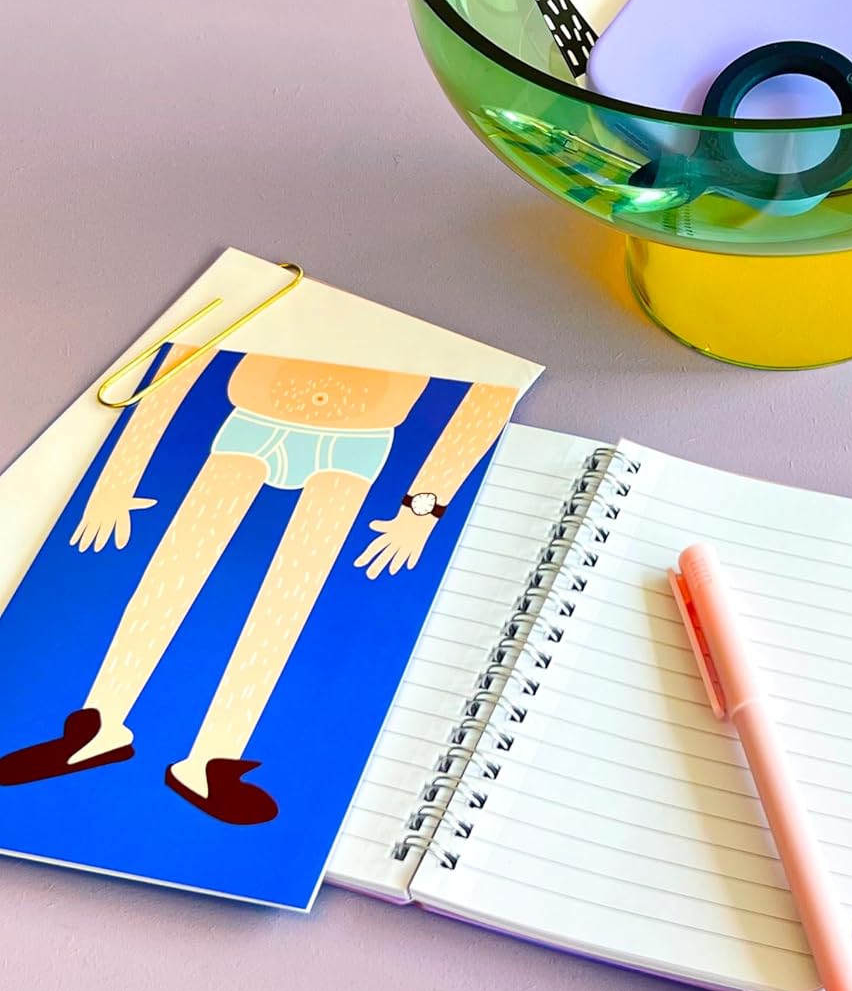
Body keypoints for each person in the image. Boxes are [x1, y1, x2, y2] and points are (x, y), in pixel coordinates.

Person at [0, 346, 515, 824]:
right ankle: (97, 725)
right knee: (172, 571)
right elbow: (181, 354)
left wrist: (424, 505)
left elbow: (490, 392)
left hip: (355, 444)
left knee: (289, 596)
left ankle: (213, 758)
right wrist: (119, 476)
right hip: (253, 424)